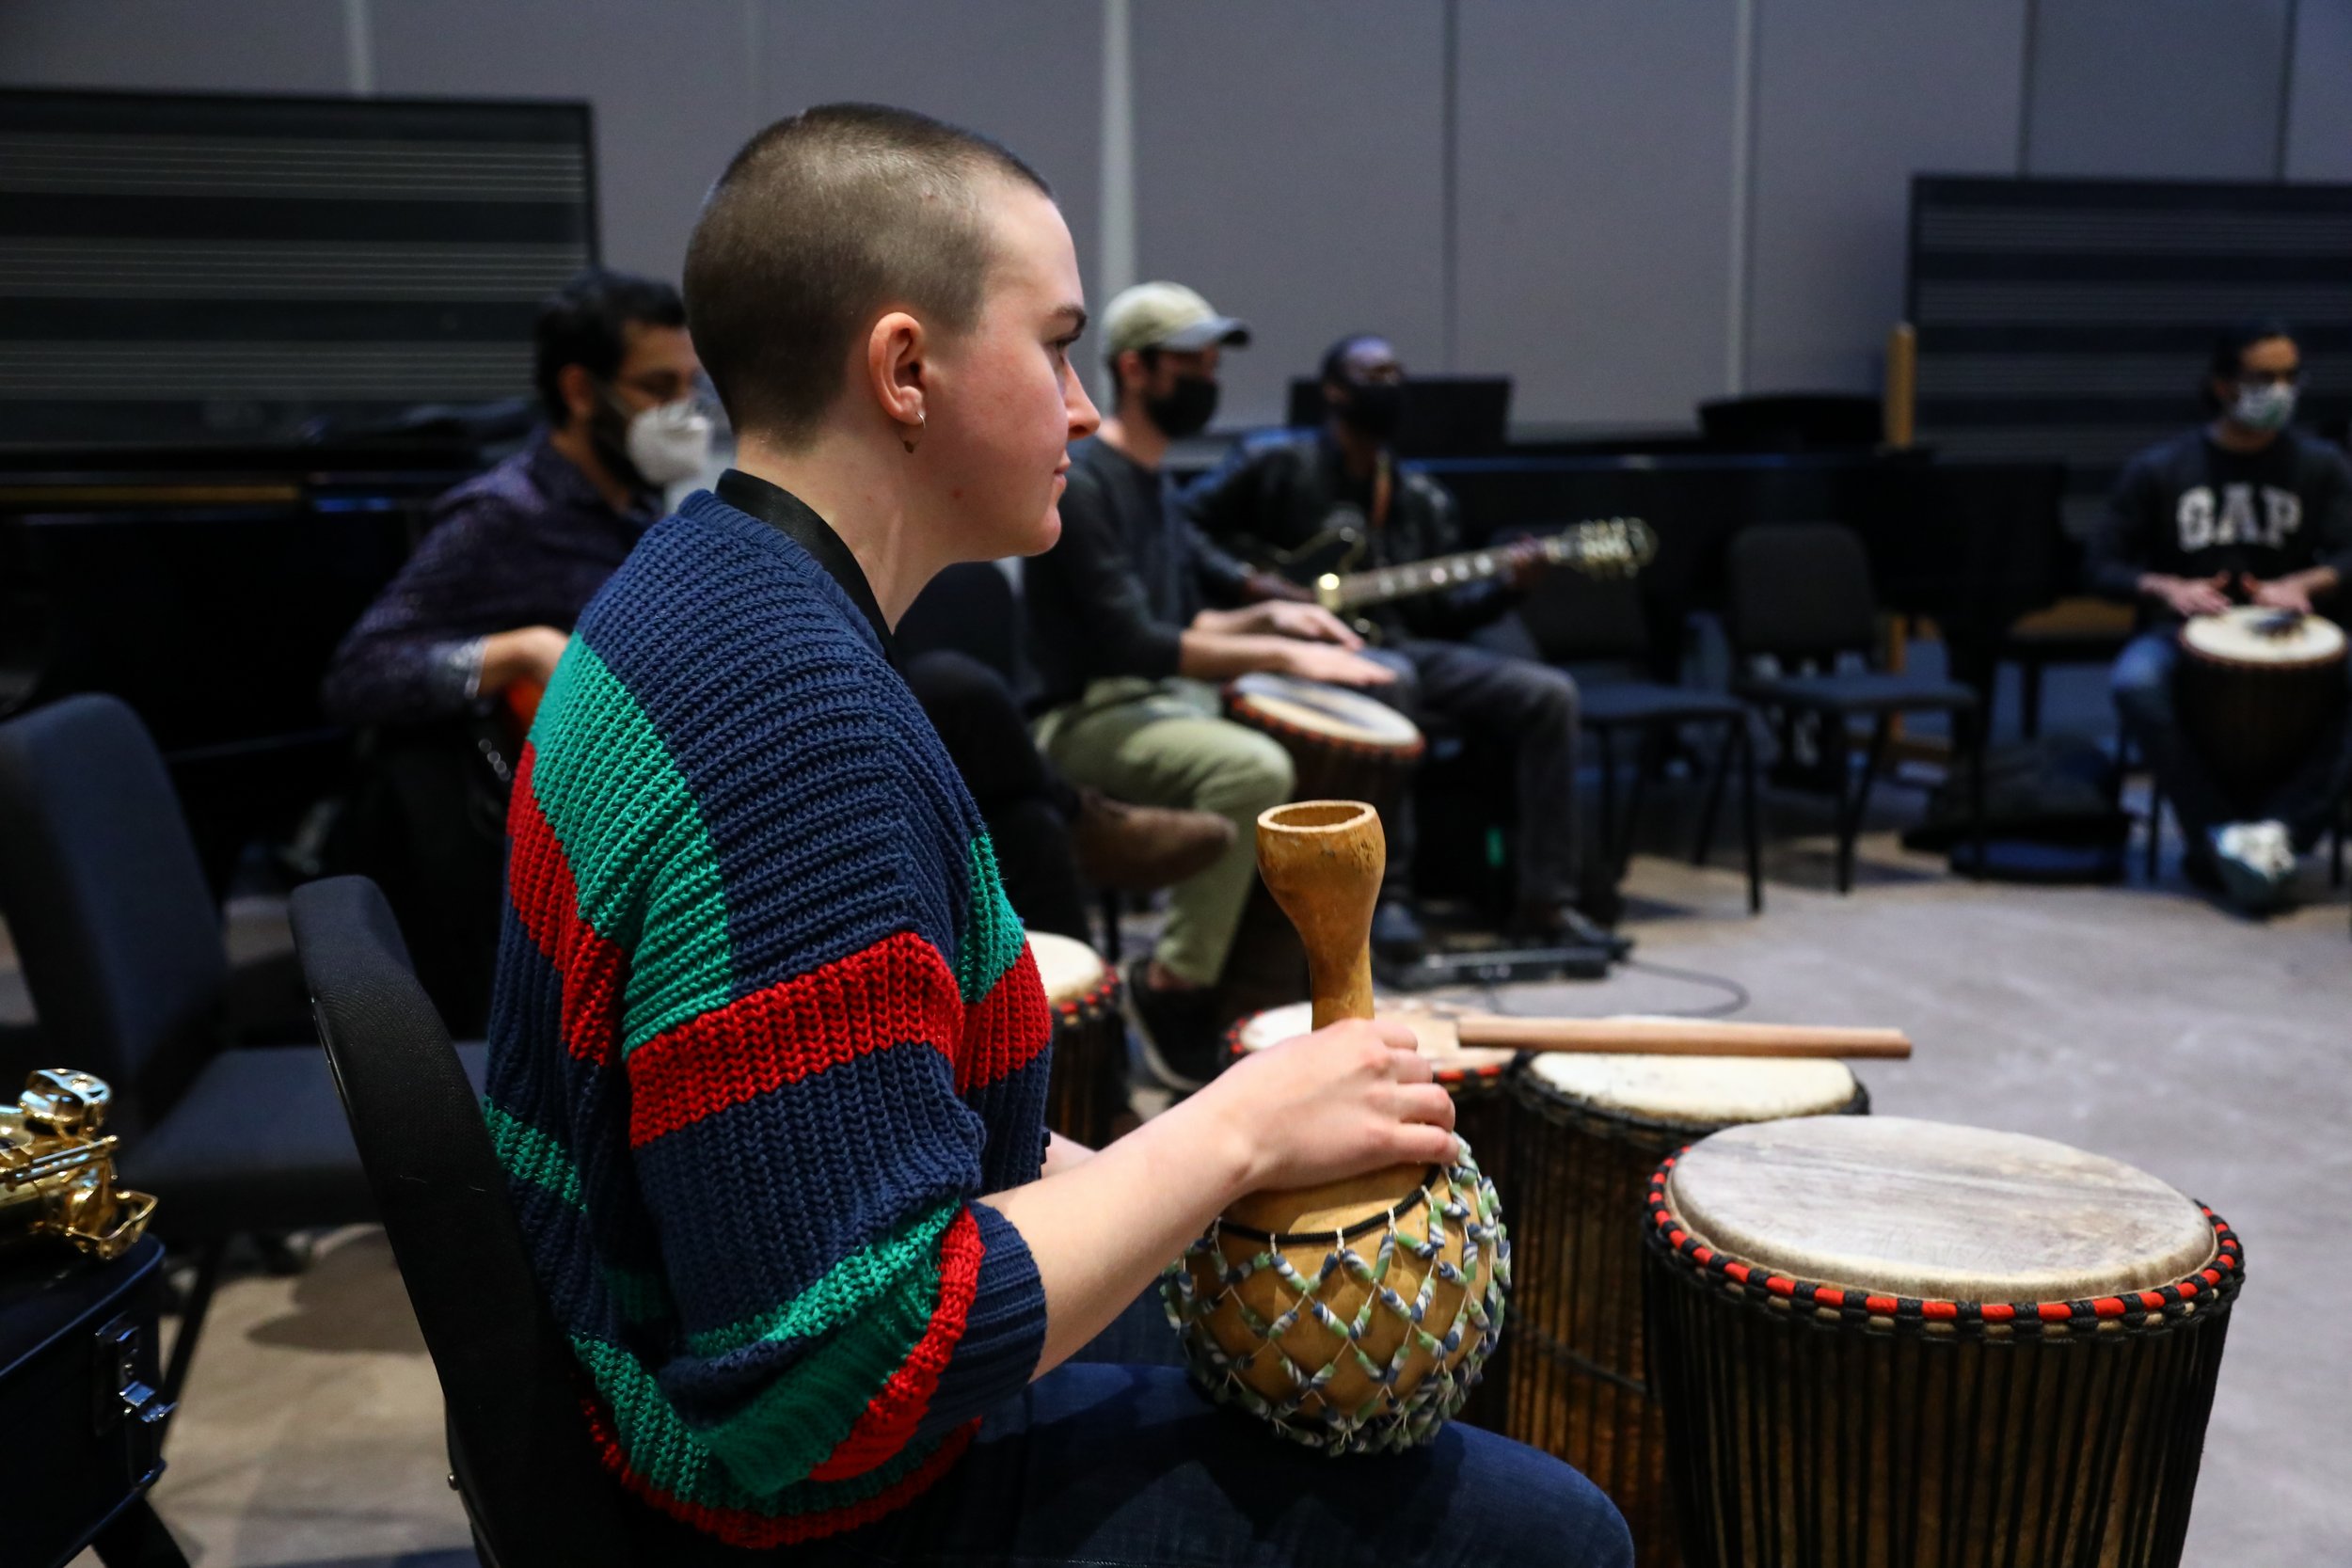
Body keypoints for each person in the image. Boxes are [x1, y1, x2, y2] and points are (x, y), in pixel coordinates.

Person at [485, 103, 1630, 1566]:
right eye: (1057, 345)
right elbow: (830, 1379)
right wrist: (1234, 1131)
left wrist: (1184, 1164)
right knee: (1563, 1531)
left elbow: (874, 1149)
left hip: (681, 1415)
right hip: (808, 1513)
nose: (1087, 408)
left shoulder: (689, 591)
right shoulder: (791, 725)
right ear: (907, 370)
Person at [324, 270, 1226, 1027]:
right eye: (655, 389)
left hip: (705, 761)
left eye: (690, 387)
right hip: (596, 809)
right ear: (577, 391)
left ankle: (1065, 1063)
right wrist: (515, 651)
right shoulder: (502, 514)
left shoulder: (646, 508)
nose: (681, 411)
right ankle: (1081, 843)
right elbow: (361, 672)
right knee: (950, 689)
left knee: (1015, 819)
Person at [1025, 282, 1394, 1088]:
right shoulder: (1084, 481)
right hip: (1085, 715)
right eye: (1190, 362)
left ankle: (1256, 988)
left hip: (1158, 702)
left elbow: (1189, 619)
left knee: (1293, 733)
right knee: (1250, 769)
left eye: (1211, 362)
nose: (1208, 377)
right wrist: (1283, 658)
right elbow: (1134, 641)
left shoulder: (1155, 481)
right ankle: (1173, 987)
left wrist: (1277, 627)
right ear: (1136, 368)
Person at [1184, 333, 1613, 955]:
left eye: (1396, 374)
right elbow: (1183, 522)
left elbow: (1446, 615)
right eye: (1373, 373)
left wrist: (1510, 589)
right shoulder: (1272, 461)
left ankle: (1546, 900)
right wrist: (1256, 585)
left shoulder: (1417, 495)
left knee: (1548, 694)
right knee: (1391, 682)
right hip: (1303, 652)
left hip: (1403, 644)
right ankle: (1392, 898)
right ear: (1334, 390)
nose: (1389, 385)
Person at [2089, 318, 2352, 911]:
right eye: (2264, 377)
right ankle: (2220, 833)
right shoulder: (2161, 468)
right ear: (2221, 385)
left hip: (2293, 632)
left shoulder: (2322, 466)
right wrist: (2164, 586)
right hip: (2180, 634)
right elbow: (2101, 565)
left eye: (2290, 376)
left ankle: (2279, 833)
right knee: (2135, 682)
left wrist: (2305, 582)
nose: (2280, 390)